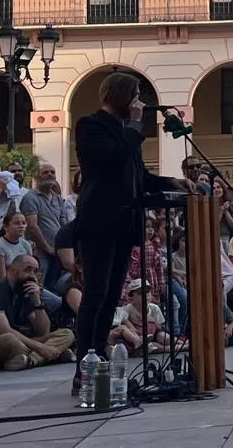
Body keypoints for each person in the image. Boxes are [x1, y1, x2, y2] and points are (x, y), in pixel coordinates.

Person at [70, 72, 189, 391]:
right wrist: (136, 126)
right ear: (121, 96)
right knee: (95, 294)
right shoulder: (90, 126)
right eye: (136, 95)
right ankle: (84, 367)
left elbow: (138, 176)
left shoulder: (126, 133)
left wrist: (169, 183)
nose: (141, 102)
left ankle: (101, 361)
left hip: (124, 222)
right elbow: (112, 158)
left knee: (110, 295)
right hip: (98, 222)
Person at [0, 254, 75, 372]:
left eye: (36, 271)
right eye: (28, 270)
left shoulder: (25, 292)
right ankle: (52, 356)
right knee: (10, 339)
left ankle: (29, 360)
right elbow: (5, 331)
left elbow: (43, 331)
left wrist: (37, 302)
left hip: (22, 343)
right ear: (13, 271)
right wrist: (41, 347)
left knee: (67, 334)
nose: (32, 276)